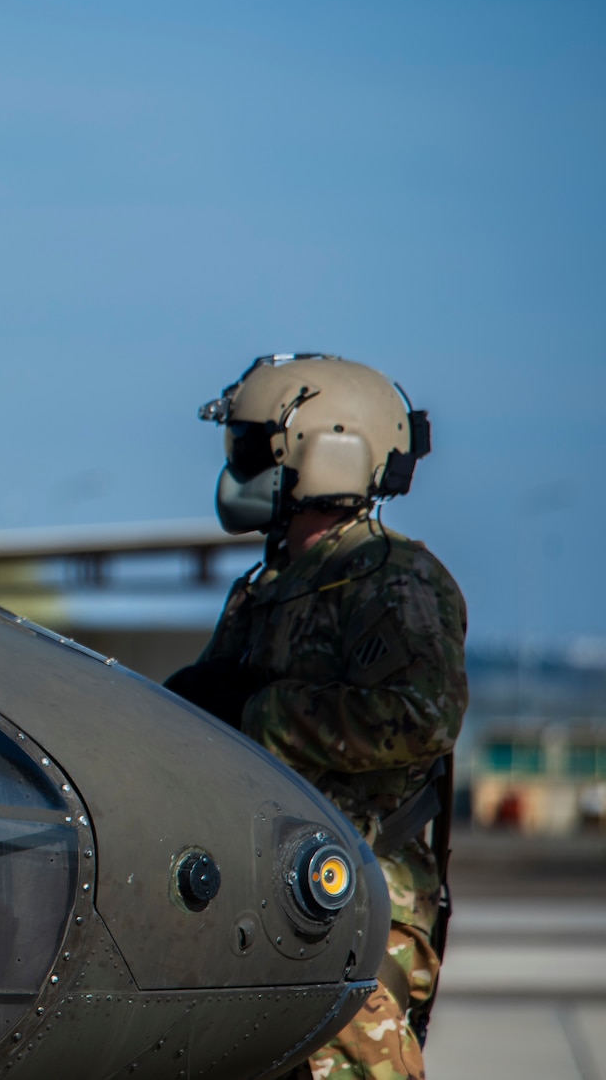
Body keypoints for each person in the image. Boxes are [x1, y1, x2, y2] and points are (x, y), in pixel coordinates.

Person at [165, 354, 467, 1080]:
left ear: (323, 454)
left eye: (251, 446)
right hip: (267, 898)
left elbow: (422, 717)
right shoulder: (271, 586)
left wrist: (261, 713)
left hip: (358, 907)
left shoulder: (393, 578)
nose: (238, 469)